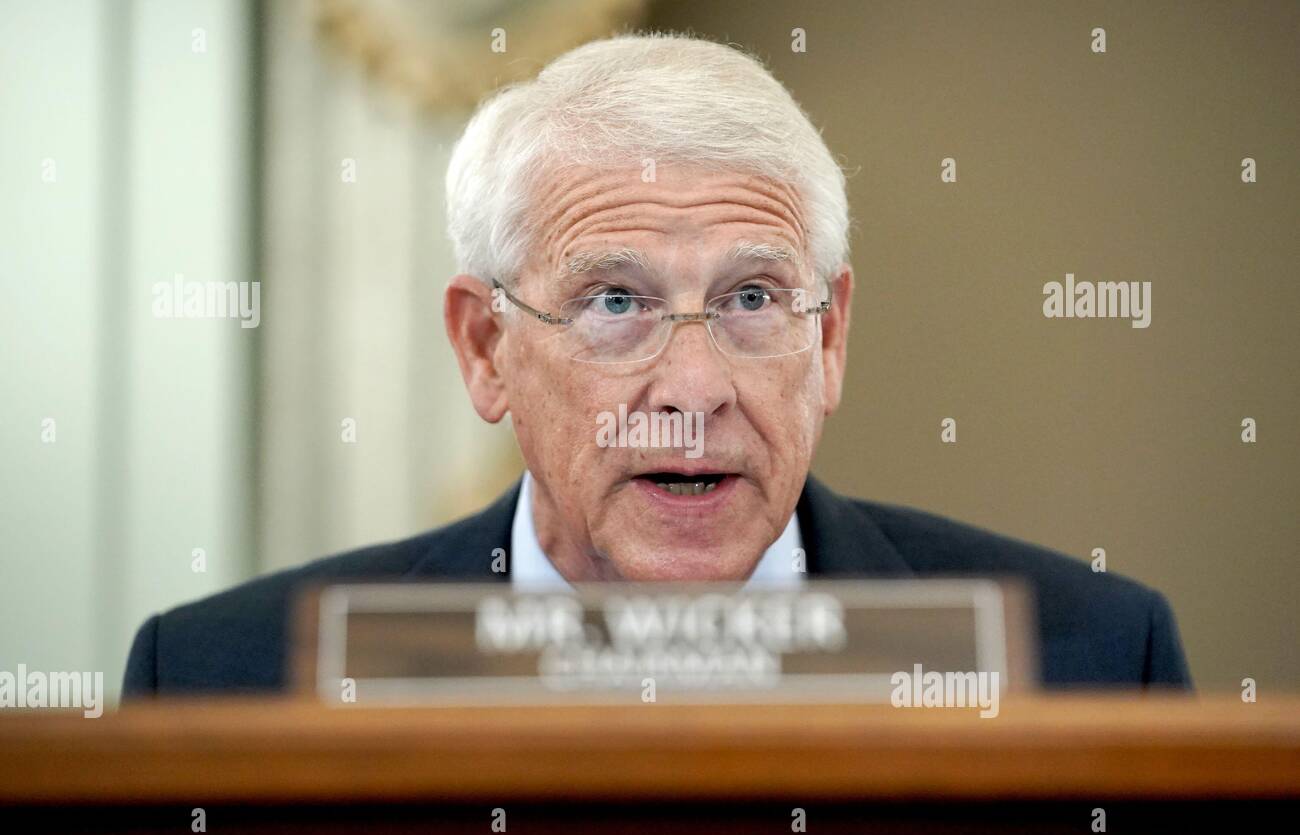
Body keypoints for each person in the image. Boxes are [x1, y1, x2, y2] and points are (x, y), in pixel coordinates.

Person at [123, 33, 1190, 696]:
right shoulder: (227, 677)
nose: (692, 390)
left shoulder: (1088, 656)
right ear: (486, 348)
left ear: (829, 337)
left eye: (753, 299)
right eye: (616, 301)